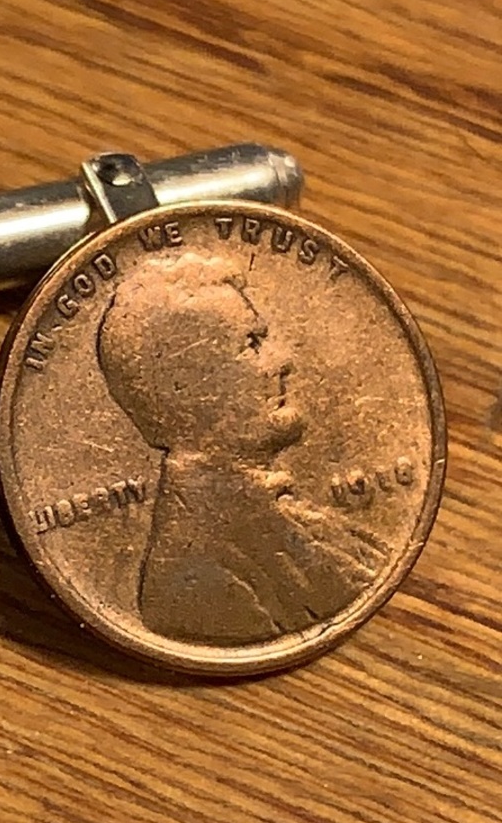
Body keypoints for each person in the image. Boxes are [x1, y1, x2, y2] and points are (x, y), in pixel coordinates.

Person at [96, 253, 383, 645]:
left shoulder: (294, 522)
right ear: (187, 388)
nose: (282, 361)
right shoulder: (195, 582)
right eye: (253, 344)